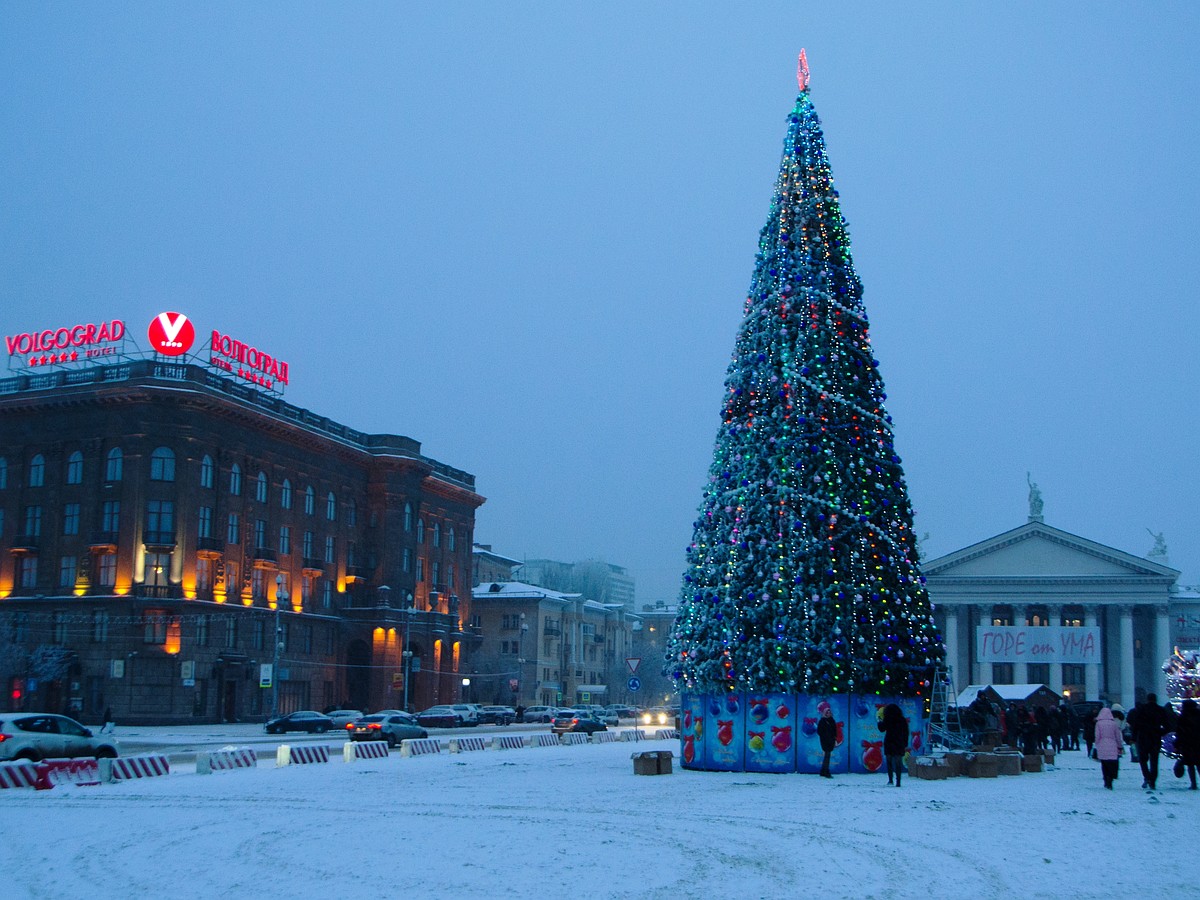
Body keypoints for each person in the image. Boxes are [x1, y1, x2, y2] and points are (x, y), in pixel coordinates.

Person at [1131, 693, 1170, 791]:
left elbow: (1136, 725)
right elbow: (1167, 726)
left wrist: (1134, 737)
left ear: (1147, 699)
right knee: (1154, 760)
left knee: (1143, 760)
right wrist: (1160, 732)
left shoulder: (1141, 709)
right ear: (1156, 699)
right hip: (1155, 738)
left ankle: (1147, 776)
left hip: (1143, 737)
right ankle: (1153, 780)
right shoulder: (1161, 710)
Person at [1094, 706, 1124, 789]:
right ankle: (1110, 779)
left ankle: (1105, 779)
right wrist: (1120, 746)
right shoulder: (1113, 723)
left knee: (1104, 764)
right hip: (1112, 744)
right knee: (1111, 763)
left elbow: (1097, 736)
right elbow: (1117, 736)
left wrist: (1096, 744)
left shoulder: (1098, 723)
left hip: (1102, 744)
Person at [1174, 699, 1200, 790]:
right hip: (1198, 742)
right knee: (1198, 763)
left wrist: (1177, 745)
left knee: (1190, 764)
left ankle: (1193, 784)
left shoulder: (1183, 717)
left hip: (1187, 743)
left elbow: (1179, 732)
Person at [880, 703, 909, 787]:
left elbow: (882, 729)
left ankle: (890, 779)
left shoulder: (887, 719)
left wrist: (879, 722)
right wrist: (905, 742)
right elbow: (906, 732)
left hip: (889, 741)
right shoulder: (902, 720)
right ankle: (898, 781)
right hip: (899, 742)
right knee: (898, 762)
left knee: (889, 762)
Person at [817, 705, 837, 778]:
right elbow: (819, 731)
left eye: (829, 712)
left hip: (831, 740)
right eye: (827, 712)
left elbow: (835, 731)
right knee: (827, 755)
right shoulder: (822, 721)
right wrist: (825, 737)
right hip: (825, 741)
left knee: (827, 755)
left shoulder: (832, 720)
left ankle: (823, 770)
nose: (829, 714)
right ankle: (826, 771)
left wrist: (834, 739)